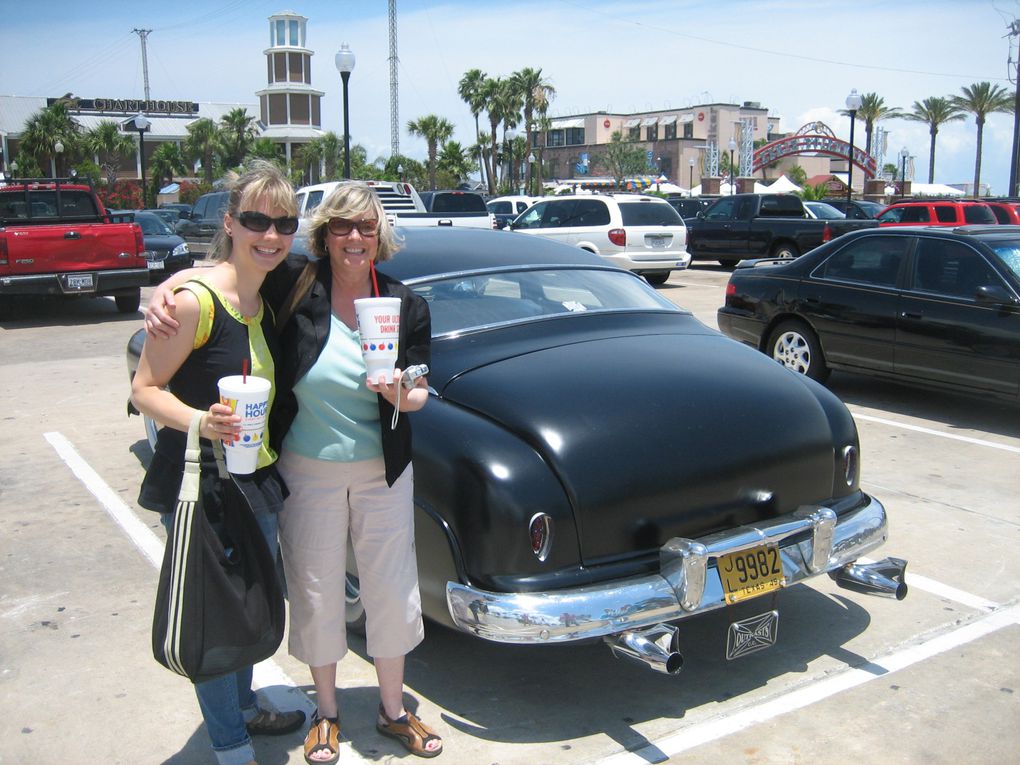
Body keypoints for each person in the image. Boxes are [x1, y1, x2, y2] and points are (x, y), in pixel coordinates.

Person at [144, 182, 441, 763]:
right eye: (341, 227)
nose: (354, 238)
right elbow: (231, 274)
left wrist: (401, 392)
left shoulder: (406, 304)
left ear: (380, 236)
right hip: (307, 468)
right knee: (315, 586)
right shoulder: (298, 284)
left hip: (384, 469)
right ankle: (326, 713)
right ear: (324, 234)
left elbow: (422, 392)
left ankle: (394, 709)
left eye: (365, 227)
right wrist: (169, 284)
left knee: (390, 586)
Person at [131, 160, 307, 765]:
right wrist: (201, 421)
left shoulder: (264, 294)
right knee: (217, 617)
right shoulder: (193, 302)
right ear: (230, 222)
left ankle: (247, 708)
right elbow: (145, 389)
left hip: (254, 479)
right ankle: (230, 743)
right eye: (256, 219)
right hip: (204, 482)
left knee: (252, 604)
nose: (271, 233)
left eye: (284, 222)